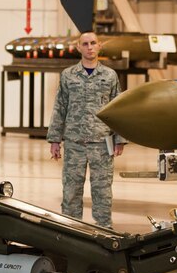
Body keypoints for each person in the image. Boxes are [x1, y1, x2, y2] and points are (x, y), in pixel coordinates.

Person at [47, 31, 125, 228]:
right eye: (85, 44)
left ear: (99, 46)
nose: (89, 47)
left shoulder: (109, 76)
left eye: (93, 43)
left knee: (102, 190)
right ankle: (71, 229)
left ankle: (104, 229)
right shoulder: (68, 75)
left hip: (102, 143)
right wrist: (55, 140)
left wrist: (120, 138)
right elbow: (60, 107)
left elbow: (119, 108)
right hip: (74, 143)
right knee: (71, 190)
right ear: (79, 48)